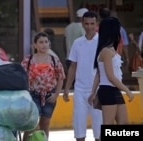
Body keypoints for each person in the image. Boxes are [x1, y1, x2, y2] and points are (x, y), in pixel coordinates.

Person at [63, 11, 102, 141]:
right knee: (79, 129)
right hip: (80, 90)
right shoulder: (77, 43)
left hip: (98, 90)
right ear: (82, 24)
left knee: (99, 130)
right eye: (86, 24)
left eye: (92, 23)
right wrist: (67, 88)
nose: (89, 26)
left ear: (96, 24)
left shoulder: (103, 43)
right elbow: (73, 66)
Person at [88, 17, 134, 125]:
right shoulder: (106, 51)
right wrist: (127, 90)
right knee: (108, 124)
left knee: (123, 123)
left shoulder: (110, 49)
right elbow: (110, 76)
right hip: (108, 90)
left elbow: (99, 74)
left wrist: (93, 92)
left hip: (114, 90)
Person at [21, 32, 65, 141]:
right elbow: (21, 76)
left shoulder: (54, 59)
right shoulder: (29, 60)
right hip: (33, 95)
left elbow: (61, 77)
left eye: (46, 42)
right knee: (32, 124)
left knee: (45, 123)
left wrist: (56, 93)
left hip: (50, 96)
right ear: (34, 45)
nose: (44, 45)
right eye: (40, 42)